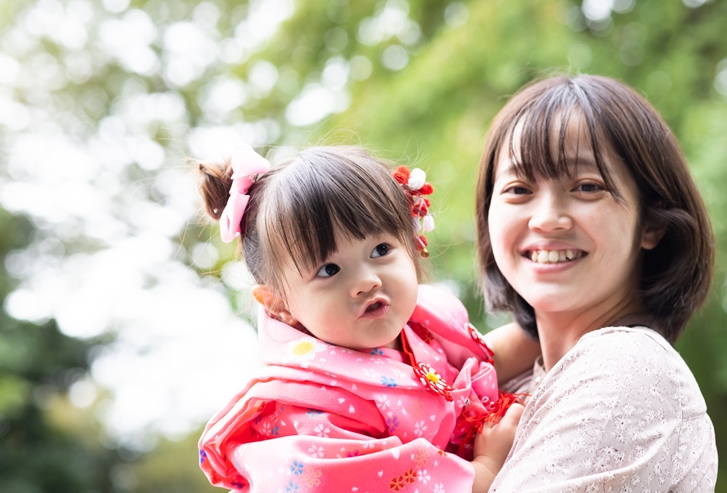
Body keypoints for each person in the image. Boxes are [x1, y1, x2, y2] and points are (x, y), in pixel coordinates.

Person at [195, 145, 540, 493]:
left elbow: (483, 359)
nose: (366, 281)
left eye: (380, 250)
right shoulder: (310, 410)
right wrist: (487, 467)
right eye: (329, 269)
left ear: (410, 240)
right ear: (280, 304)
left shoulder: (418, 325)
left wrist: (561, 326)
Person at [475, 74, 718, 492]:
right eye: (519, 189)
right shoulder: (522, 380)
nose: (547, 218)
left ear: (652, 223)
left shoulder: (625, 371)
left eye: (587, 187)